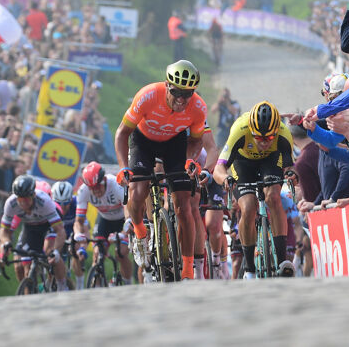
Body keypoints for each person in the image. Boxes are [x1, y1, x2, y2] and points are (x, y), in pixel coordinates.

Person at [114, 60, 219, 280]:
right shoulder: (148, 95)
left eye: (187, 94)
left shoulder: (198, 107)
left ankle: (188, 268)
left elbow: (197, 141)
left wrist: (188, 161)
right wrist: (124, 168)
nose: (181, 100)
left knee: (184, 206)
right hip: (143, 142)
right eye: (177, 92)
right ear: (167, 85)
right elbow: (122, 133)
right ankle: (141, 232)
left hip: (174, 144)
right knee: (138, 192)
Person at [212, 101, 296, 278]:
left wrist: (291, 174)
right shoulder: (239, 130)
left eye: (269, 138)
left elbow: (290, 166)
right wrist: (226, 179)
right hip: (243, 163)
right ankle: (249, 268)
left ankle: (282, 262)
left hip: (270, 161)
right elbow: (218, 169)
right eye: (259, 138)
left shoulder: (283, 133)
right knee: (248, 207)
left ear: (276, 132)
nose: (264, 142)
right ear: (251, 131)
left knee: (273, 197)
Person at [0, 175, 68, 291]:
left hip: (49, 225)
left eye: (26, 200)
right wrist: (5, 244)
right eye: (20, 200)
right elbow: (4, 230)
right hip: (31, 227)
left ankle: (62, 286)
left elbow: (60, 231)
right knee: (26, 267)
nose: (23, 204)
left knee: (50, 251)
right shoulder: (11, 203)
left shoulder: (44, 202)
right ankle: (29, 292)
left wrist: (55, 251)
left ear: (33, 195)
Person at [74, 162, 131, 287]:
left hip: (123, 219)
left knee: (120, 253)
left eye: (98, 186)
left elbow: (128, 212)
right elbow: (79, 221)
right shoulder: (83, 191)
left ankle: (128, 284)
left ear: (104, 179)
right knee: (97, 255)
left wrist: (123, 233)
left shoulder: (116, 185)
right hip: (104, 220)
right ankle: (97, 288)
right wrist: (78, 233)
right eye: (92, 188)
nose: (96, 191)